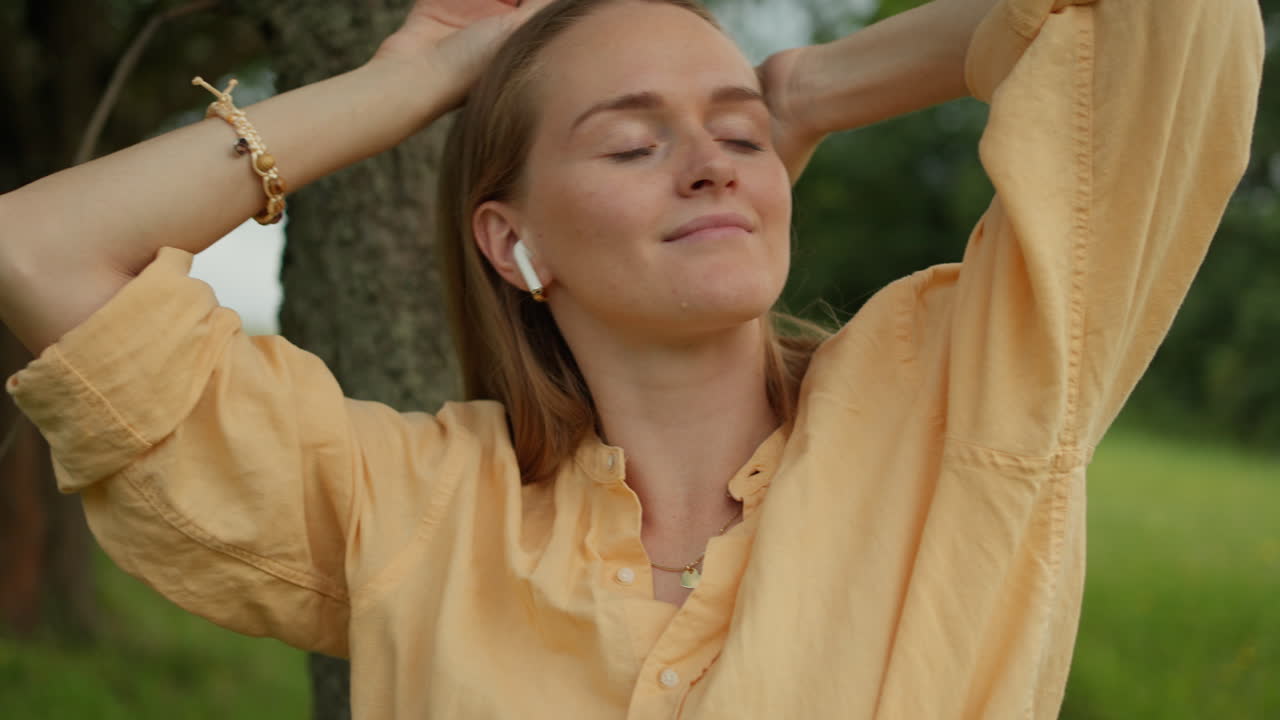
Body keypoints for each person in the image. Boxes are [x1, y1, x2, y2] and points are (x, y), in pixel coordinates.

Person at [0, 0, 1263, 716]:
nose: (711, 163)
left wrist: (810, 87)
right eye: (630, 143)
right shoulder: (407, 505)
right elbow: (42, 250)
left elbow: (1173, 23)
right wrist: (412, 85)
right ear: (513, 242)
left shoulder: (958, 399)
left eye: (738, 136)